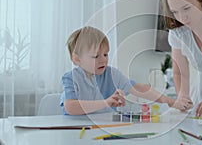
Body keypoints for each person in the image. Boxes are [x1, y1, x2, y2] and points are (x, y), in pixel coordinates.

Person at [60, 26, 193, 115]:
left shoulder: (111, 74)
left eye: (105, 54)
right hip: (74, 128)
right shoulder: (71, 78)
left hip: (102, 128)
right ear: (77, 59)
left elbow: (139, 88)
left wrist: (170, 101)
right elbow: (70, 107)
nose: (103, 60)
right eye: (96, 56)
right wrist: (105, 103)